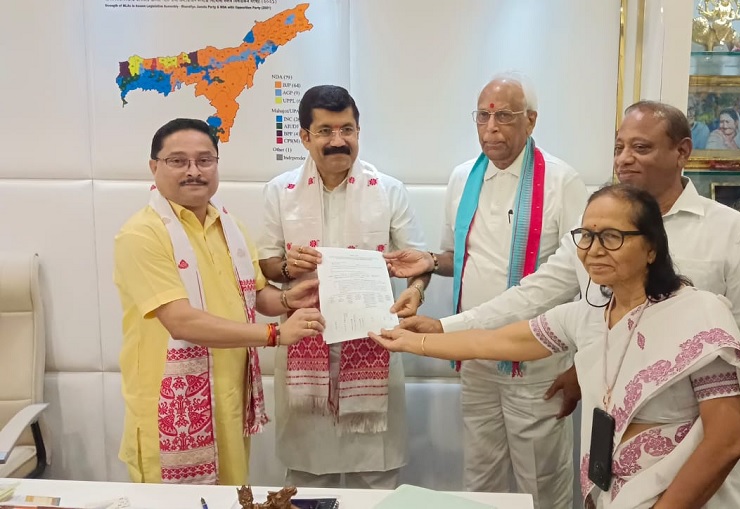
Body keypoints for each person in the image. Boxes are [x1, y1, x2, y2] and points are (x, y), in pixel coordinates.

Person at [392, 101, 740, 497]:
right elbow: (527, 303)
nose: (596, 250)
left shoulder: (723, 251)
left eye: (641, 148)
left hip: (699, 465)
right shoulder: (588, 308)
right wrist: (435, 330)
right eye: (618, 147)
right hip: (612, 455)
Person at [371, 184, 740, 508]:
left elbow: (728, 440)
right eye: (586, 236)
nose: (594, 249)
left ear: (651, 248)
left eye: (612, 237)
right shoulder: (586, 315)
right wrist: (414, 341)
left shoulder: (699, 313)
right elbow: (492, 341)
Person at [385, 72, 587, 509]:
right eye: (482, 116)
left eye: (504, 117)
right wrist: (429, 263)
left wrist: (448, 326)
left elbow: (574, 273)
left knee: (541, 482)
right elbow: (459, 257)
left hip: (535, 361)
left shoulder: (562, 181)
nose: (491, 128)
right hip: (475, 357)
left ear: (531, 120)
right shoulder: (463, 177)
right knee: (479, 478)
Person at [113, 118, 324, 485]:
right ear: (153, 166)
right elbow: (181, 322)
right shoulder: (142, 234)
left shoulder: (230, 226)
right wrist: (274, 334)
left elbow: (255, 295)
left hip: (227, 401)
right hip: (172, 410)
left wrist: (288, 298)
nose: (194, 171)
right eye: (178, 161)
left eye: (205, 160)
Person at [257, 85, 427, 489]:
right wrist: (288, 265)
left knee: (376, 475)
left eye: (346, 129)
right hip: (305, 348)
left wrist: (417, 290)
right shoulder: (280, 191)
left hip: (373, 346)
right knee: (307, 476)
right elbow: (266, 262)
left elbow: (419, 261)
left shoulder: (388, 190)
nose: (338, 141)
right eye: (325, 131)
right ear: (305, 136)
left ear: (358, 131)